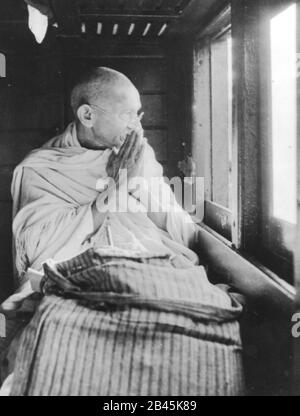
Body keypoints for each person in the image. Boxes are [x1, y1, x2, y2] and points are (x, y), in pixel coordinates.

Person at [0, 67, 244, 396]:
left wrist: (138, 178)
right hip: (81, 267)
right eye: (127, 114)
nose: (135, 125)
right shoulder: (42, 166)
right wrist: (114, 188)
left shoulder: (137, 154)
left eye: (139, 114)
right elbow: (43, 244)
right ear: (87, 114)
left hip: (151, 265)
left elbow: (180, 232)